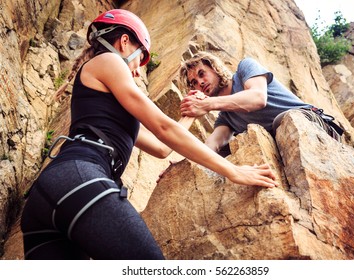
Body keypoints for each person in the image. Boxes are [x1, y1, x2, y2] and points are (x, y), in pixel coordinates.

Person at [20, 9, 278, 260]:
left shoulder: (109, 107)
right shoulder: (108, 62)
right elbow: (164, 128)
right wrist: (233, 171)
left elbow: (161, 147)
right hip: (79, 178)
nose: (135, 72)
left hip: (46, 200)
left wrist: (191, 112)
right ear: (124, 42)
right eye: (138, 60)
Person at [179, 52, 344, 156]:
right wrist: (185, 166)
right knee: (225, 152)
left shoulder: (245, 69)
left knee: (284, 120)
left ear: (214, 68)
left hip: (314, 124)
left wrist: (207, 104)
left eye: (202, 74)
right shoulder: (225, 117)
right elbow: (211, 145)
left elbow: (257, 98)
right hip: (289, 146)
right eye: (194, 82)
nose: (200, 82)